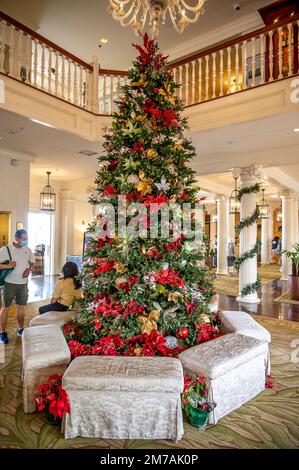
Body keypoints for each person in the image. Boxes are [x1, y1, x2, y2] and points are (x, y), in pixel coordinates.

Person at [0, 229, 35, 344]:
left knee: (21, 307)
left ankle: (20, 329)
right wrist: (8, 266)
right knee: (5, 308)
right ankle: (2, 333)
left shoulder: (28, 250)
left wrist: (29, 270)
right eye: (24, 239)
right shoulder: (6, 249)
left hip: (23, 284)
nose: (26, 241)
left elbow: (32, 262)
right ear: (17, 238)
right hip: (8, 283)